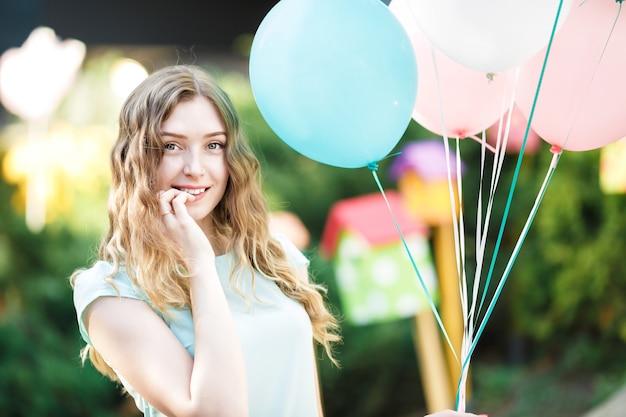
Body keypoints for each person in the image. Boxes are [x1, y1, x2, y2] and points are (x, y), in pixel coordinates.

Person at [71, 64, 484, 417]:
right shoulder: (112, 293)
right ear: (136, 159)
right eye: (171, 146)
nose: (195, 168)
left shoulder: (272, 256)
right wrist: (199, 264)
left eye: (213, 145)